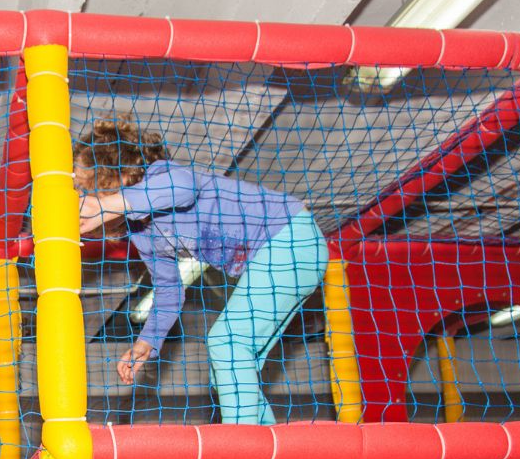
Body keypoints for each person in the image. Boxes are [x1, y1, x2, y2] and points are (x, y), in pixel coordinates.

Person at [74, 116, 329, 427]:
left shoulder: (162, 175)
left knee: (227, 342)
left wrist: (112, 203)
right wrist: (147, 341)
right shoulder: (143, 234)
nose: (86, 201)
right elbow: (169, 291)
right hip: (284, 256)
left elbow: (186, 188)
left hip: (289, 237)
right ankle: (268, 458)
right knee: (230, 364)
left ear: (123, 175)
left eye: (91, 190)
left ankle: (242, 456)